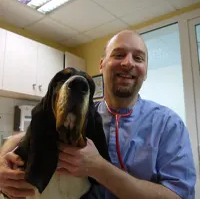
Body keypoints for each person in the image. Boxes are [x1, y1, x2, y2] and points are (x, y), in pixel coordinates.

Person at [0, 30, 196, 199]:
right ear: (102, 65)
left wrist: (99, 169)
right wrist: (3, 156)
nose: (128, 63)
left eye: (138, 58)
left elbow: (178, 196)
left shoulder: (169, 124)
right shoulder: (86, 116)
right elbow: (38, 129)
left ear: (145, 71)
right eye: (118, 55)